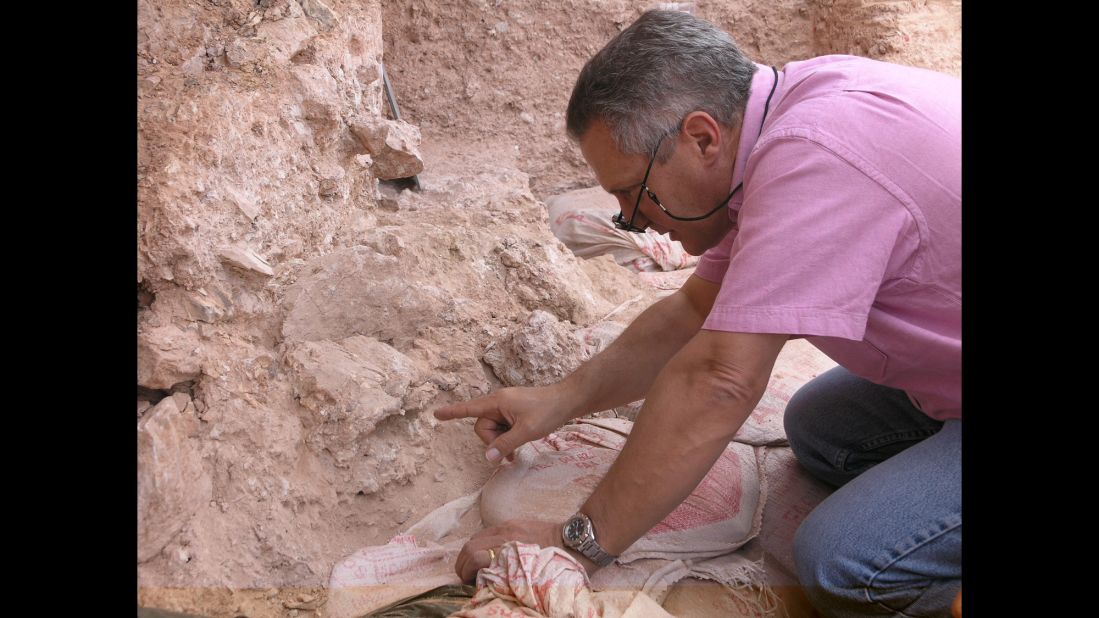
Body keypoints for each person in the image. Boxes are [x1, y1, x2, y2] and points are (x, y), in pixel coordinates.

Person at [434, 9, 961, 616]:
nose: (632, 219)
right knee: (822, 430)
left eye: (633, 191)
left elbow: (721, 379)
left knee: (846, 565)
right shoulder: (786, 121)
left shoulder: (816, 155)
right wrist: (564, 398)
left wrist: (578, 542)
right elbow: (692, 310)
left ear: (702, 137)